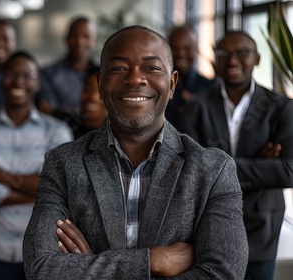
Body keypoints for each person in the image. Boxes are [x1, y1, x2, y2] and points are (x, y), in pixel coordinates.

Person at [23, 25, 248, 279]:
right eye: (119, 68)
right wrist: (153, 260)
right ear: (99, 83)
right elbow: (41, 268)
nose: (134, 79)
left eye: (151, 68)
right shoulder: (61, 164)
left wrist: (91, 268)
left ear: (172, 83)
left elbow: (223, 274)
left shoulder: (214, 171)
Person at [179, 30, 293, 280]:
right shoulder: (195, 107)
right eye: (224, 54)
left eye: (242, 53)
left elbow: (288, 171)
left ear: (258, 58)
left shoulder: (282, 107)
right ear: (215, 59)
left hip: (261, 229)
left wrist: (217, 166)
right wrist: (258, 166)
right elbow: (189, 167)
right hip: (206, 228)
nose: (232, 61)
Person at [0, 51, 73, 280]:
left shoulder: (57, 131)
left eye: (28, 74)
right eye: (12, 74)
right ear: (1, 79)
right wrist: (35, 192)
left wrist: (2, 177)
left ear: (38, 82)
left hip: (44, 248)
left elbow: (63, 188)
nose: (19, 80)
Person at [37, 16, 99, 114]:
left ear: (94, 41)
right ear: (66, 38)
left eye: (86, 36)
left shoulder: (104, 73)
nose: (79, 42)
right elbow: (51, 110)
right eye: (75, 36)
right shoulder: (48, 74)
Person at [165, 25, 217, 128]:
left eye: (187, 48)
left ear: (195, 50)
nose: (181, 53)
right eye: (175, 48)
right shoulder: (155, 85)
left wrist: (199, 107)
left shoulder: (210, 87)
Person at [54, 65, 107, 139]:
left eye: (100, 92)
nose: (92, 97)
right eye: (87, 89)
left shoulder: (119, 134)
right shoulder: (62, 122)